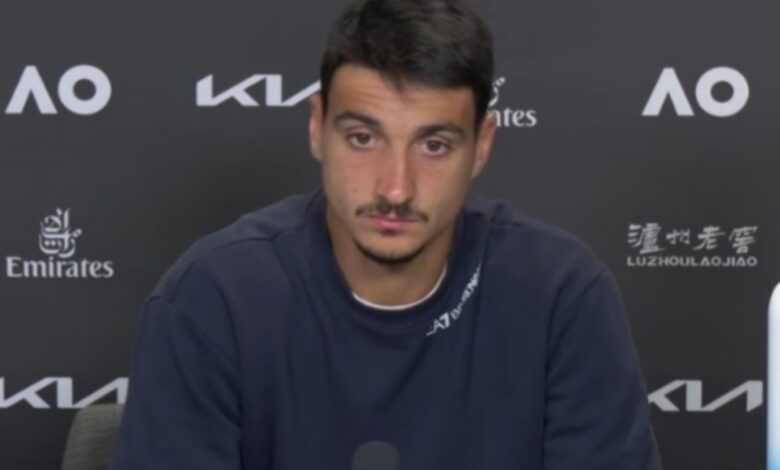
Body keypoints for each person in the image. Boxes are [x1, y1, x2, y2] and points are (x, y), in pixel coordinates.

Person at [110, 0, 663, 468]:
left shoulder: (562, 294)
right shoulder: (212, 298)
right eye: (362, 138)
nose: (396, 188)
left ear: (482, 146)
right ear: (317, 127)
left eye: (434, 146)